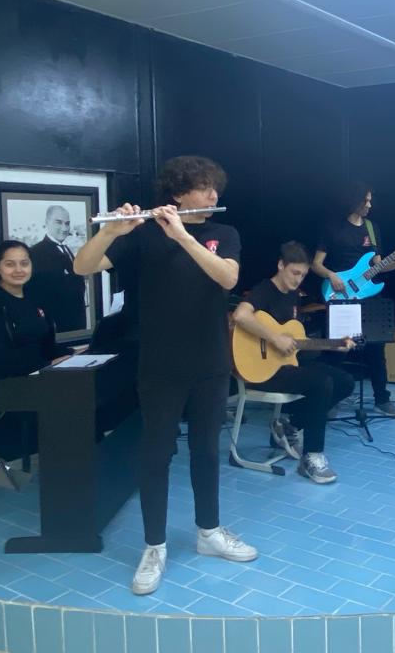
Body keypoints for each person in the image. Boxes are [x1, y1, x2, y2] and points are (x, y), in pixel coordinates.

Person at [73, 155, 257, 596]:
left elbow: (227, 279)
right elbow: (83, 266)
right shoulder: (142, 235)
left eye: (215, 187)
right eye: (204, 187)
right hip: (159, 366)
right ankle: (154, 546)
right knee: (155, 455)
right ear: (177, 193)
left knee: (206, 450)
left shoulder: (224, 233)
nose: (213, 195)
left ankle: (209, 531)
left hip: (210, 364)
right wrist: (112, 231)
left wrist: (184, 237)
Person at [231, 241, 356, 484]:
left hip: (285, 366)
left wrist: (334, 344)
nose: (298, 279)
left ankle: (289, 425)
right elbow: (240, 315)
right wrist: (274, 338)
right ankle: (312, 457)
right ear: (281, 265)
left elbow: (296, 343)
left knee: (345, 381)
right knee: (321, 382)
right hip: (262, 370)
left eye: (303, 275)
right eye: (294, 273)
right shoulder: (265, 289)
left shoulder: (293, 297)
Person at [0, 240, 72, 456]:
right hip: (1, 385)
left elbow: (44, 344)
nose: (19, 270)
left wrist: (71, 354)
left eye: (24, 263)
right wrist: (46, 364)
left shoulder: (34, 298)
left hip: (35, 375)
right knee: (68, 399)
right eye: (10, 264)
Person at [312, 181, 395, 418]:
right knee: (337, 349)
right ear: (352, 200)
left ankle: (382, 399)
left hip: (369, 296)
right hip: (341, 294)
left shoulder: (372, 228)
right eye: (365, 200)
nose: (369, 205)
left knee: (377, 348)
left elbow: (377, 266)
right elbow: (316, 264)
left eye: (370, 200)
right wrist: (331, 276)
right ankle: (331, 398)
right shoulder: (332, 228)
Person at [26, 205, 87, 332]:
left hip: (76, 324)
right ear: (47, 222)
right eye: (59, 222)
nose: (64, 228)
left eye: (67, 223)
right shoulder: (36, 252)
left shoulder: (66, 249)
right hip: (56, 327)